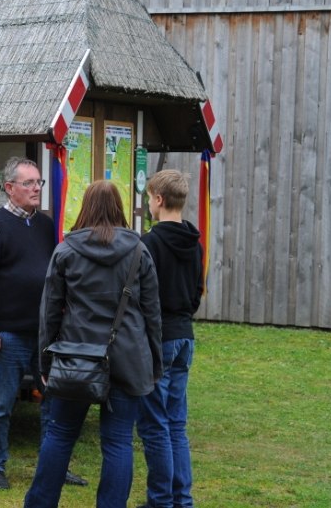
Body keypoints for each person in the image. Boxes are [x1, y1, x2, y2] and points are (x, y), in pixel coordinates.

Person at [25, 180, 163, 508]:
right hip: (128, 360)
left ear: (85, 207)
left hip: (76, 358)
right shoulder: (139, 250)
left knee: (60, 436)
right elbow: (152, 314)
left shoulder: (66, 250)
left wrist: (45, 364)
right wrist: (155, 364)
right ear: (119, 208)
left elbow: (48, 314)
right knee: (117, 443)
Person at [0, 156, 85, 491]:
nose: (36, 189)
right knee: (1, 405)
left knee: (53, 403)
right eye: (29, 183)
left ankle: (55, 468)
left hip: (47, 335)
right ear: (9, 188)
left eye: (39, 183)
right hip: (8, 335)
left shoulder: (48, 226)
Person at [137, 170, 203, 508]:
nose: (148, 204)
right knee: (176, 424)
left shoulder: (147, 244)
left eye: (149, 198)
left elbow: (139, 296)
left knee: (154, 426)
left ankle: (161, 500)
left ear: (159, 200)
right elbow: (196, 294)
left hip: (158, 340)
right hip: (184, 337)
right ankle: (182, 499)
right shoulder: (194, 242)